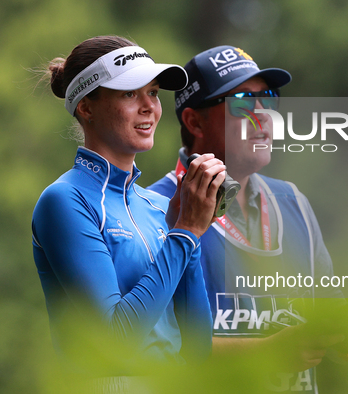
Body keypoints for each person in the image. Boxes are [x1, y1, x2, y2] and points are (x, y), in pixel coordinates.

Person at [148, 45, 348, 392]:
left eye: (268, 99)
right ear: (194, 121)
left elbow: (323, 323)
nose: (263, 116)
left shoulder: (296, 204)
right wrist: (270, 352)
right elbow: (153, 349)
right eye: (243, 101)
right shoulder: (153, 208)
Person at [31, 36, 226, 382]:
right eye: (128, 93)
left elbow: (197, 349)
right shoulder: (64, 200)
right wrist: (185, 234)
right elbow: (115, 340)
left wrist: (188, 234)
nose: (149, 106)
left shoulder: (158, 206)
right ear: (86, 107)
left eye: (152, 92)